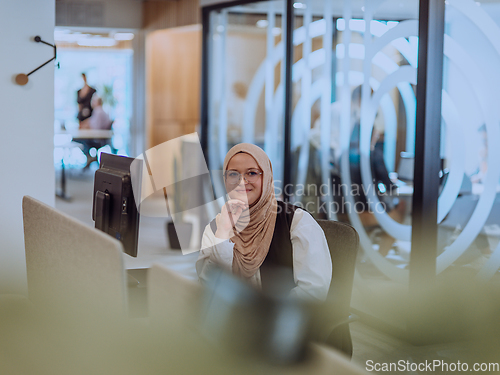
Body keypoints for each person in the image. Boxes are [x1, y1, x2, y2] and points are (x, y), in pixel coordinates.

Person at [196, 143, 332, 301]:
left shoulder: (297, 221)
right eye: (233, 174)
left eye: (252, 173)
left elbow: (313, 292)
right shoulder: (217, 225)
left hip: (282, 321)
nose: (242, 182)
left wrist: (266, 319)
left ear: (266, 177)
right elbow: (207, 288)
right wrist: (223, 234)